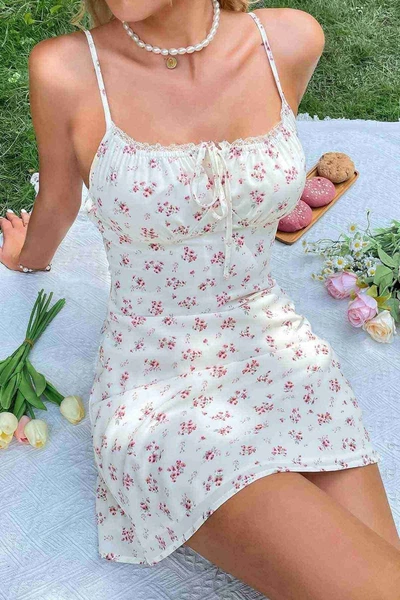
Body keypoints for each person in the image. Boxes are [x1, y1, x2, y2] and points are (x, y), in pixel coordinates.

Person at [1, 1, 400, 597]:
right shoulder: (67, 68)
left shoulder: (288, 40)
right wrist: (26, 258)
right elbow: (60, 197)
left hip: (280, 349)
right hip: (157, 381)